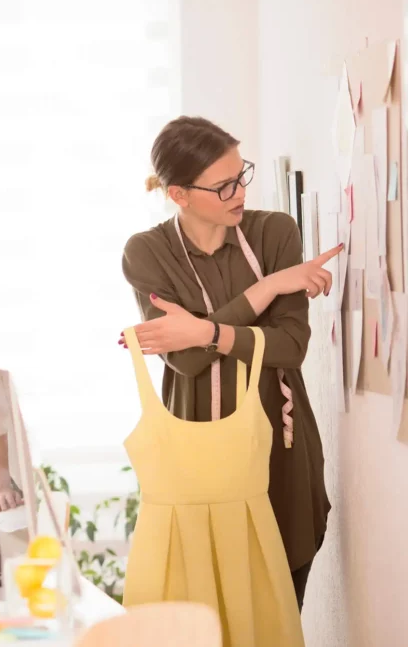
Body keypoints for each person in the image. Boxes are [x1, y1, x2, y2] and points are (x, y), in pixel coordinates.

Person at [121, 115, 338, 611]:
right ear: (178, 194)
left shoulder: (275, 234)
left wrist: (204, 331)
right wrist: (267, 289)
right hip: (195, 458)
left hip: (280, 455)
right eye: (222, 186)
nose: (238, 191)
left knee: (278, 618)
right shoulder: (146, 253)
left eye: (242, 176)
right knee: (205, 620)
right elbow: (185, 363)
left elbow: (290, 346)